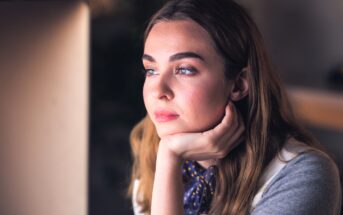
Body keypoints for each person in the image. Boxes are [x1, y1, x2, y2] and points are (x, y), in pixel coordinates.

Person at [127, 0, 342, 214]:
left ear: (239, 84)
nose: (158, 90)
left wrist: (169, 156)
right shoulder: (154, 153)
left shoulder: (304, 176)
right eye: (151, 70)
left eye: (184, 70)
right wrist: (168, 158)